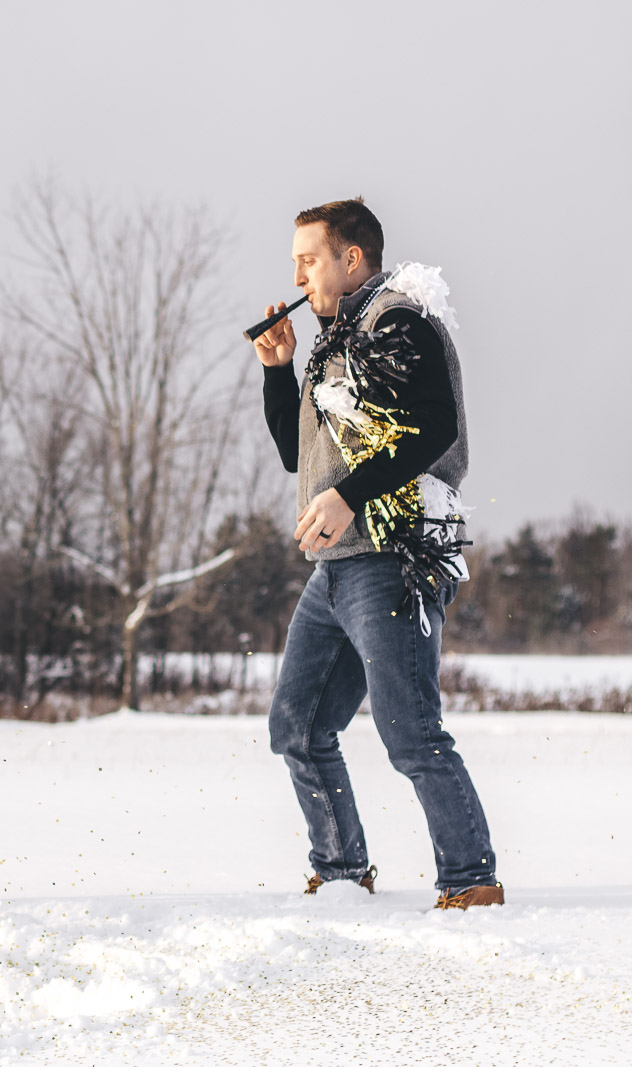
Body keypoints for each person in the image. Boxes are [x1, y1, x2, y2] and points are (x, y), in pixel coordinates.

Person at [254, 198, 501, 909]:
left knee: (410, 733)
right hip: (336, 568)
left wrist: (349, 496)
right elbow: (296, 457)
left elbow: (431, 428)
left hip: (394, 555)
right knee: (296, 726)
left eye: (308, 257)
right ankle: (339, 870)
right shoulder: (336, 340)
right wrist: (280, 369)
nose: (297, 272)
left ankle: (471, 879)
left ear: (350, 258)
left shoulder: (399, 319)